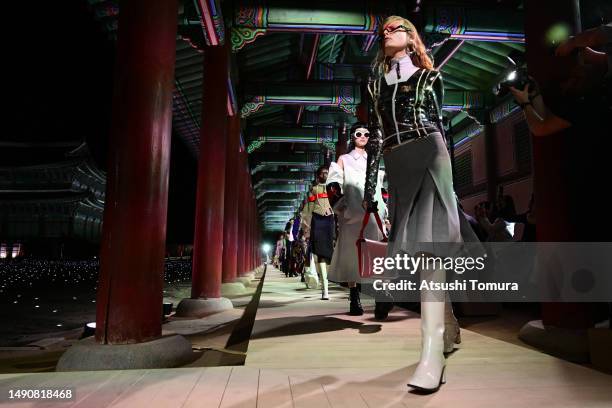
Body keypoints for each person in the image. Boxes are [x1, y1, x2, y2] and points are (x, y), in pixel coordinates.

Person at [363, 15, 481, 393]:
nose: (387, 32)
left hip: (429, 154)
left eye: (396, 28)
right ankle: (447, 332)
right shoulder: (373, 84)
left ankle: (432, 353)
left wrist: (451, 187)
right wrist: (370, 190)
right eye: (384, 30)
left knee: (429, 252)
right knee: (417, 254)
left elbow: (440, 128)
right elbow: (378, 134)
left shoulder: (431, 78)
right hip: (397, 163)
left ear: (412, 39)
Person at [326, 122, 387, 316]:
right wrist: (341, 206)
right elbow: (333, 183)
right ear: (353, 136)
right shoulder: (344, 158)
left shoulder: (375, 159)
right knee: (353, 255)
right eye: (358, 133)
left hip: (374, 211)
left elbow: (382, 187)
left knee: (376, 254)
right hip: (352, 212)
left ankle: (380, 300)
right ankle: (354, 298)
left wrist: (385, 210)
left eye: (366, 134)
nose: (362, 136)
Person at [301, 166, 335, 300]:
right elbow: (307, 211)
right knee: (321, 255)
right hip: (317, 221)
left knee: (329, 254)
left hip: (330, 221)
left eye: (327, 172)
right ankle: (325, 289)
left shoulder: (334, 189)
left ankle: (328, 284)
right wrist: (306, 229)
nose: (325, 174)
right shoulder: (313, 190)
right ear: (318, 176)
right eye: (323, 173)